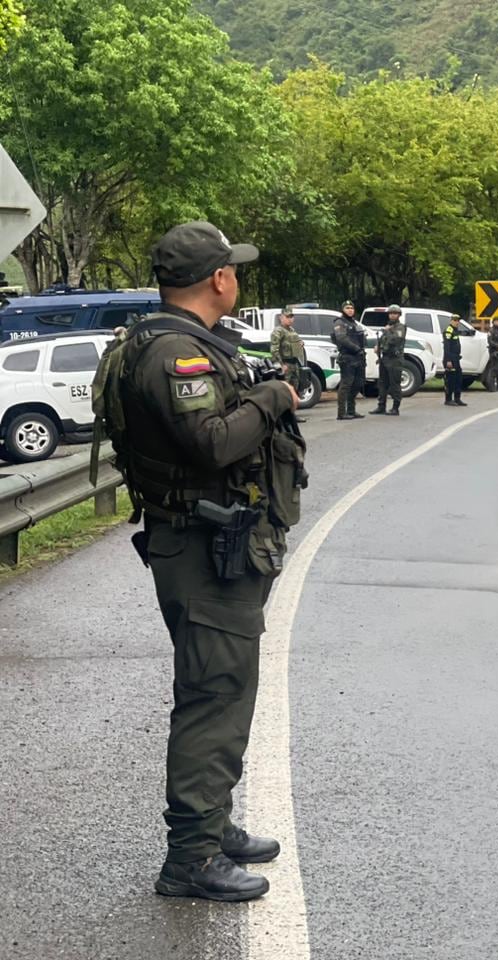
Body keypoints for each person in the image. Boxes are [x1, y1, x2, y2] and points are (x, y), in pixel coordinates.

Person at [93, 220, 304, 902]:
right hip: (202, 546)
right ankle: (189, 858)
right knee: (213, 696)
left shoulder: (168, 341)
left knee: (224, 689)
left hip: (207, 541)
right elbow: (212, 443)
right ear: (218, 279)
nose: (236, 277)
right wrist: (272, 398)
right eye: (232, 269)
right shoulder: (175, 354)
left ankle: (211, 827)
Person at [269, 305, 307, 423]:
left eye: (292, 316)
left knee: (294, 390)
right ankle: (282, 417)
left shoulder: (292, 331)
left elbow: (295, 343)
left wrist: (300, 344)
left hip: (294, 363)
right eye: (288, 317)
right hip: (285, 364)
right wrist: (280, 364)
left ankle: (292, 415)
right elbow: (274, 349)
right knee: (285, 390)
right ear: (281, 317)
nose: (290, 319)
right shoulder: (278, 331)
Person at [332, 300, 365, 420]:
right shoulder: (339, 322)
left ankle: (351, 410)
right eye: (347, 308)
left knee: (357, 384)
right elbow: (342, 339)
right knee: (346, 385)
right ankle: (341, 413)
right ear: (342, 310)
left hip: (358, 357)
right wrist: (356, 348)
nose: (350, 310)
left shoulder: (354, 323)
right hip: (348, 357)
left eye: (351, 308)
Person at [371, 303, 407, 415]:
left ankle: (395, 408)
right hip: (385, 358)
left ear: (399, 315)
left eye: (395, 313)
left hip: (395, 359)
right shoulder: (388, 327)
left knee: (394, 383)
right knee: (382, 383)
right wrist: (378, 346)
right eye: (391, 313)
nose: (392, 315)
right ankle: (381, 406)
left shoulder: (400, 327)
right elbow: (383, 340)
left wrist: (387, 331)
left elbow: (395, 340)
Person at [442, 314, 466, 407]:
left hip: (456, 358)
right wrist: (448, 360)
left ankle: (457, 398)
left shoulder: (455, 330)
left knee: (458, 379)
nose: (457, 322)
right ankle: (448, 399)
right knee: (450, 380)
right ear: (451, 321)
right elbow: (446, 347)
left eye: (458, 320)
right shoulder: (449, 330)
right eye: (455, 320)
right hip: (450, 359)